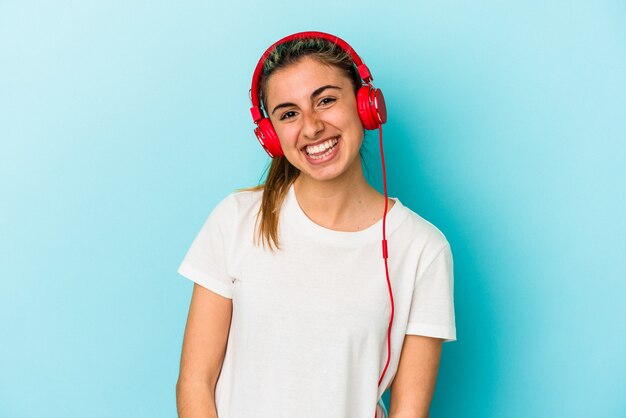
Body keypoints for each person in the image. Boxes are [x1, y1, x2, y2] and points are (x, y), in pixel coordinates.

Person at [175, 31, 456, 418]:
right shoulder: (236, 219)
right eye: (289, 114)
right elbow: (195, 382)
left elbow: (410, 411)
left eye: (325, 100)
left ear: (365, 105)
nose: (311, 127)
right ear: (271, 135)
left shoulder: (423, 249)